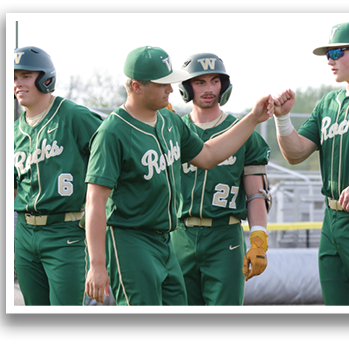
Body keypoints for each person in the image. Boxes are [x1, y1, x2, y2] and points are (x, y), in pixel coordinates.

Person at [84, 46, 274, 305]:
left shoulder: (169, 122)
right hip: (131, 238)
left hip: (166, 240)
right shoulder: (112, 132)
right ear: (137, 86)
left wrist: (253, 118)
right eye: (163, 84)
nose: (171, 90)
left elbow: (207, 155)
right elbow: (95, 202)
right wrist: (96, 264)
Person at [272, 22, 349, 305]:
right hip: (332, 220)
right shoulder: (328, 102)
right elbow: (296, 153)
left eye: (337, 51)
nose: (329, 60)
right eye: (327, 54)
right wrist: (282, 118)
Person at [169, 53, 271, 305]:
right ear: (186, 86)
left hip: (224, 236)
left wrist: (259, 239)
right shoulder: (171, 130)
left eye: (215, 81)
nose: (208, 89)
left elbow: (256, 194)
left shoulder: (244, 132)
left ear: (224, 86)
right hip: (179, 233)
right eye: (199, 82)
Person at [14, 46, 102, 305]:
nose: (18, 83)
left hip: (67, 231)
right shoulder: (15, 131)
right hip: (25, 233)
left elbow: (113, 153)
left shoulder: (73, 116)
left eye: (26, 75)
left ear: (46, 79)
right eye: (15, 77)